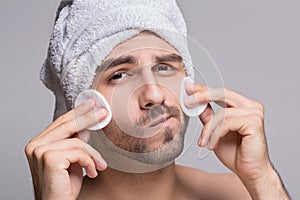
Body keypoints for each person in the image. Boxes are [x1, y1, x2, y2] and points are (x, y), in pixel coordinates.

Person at [25, 0, 290, 199]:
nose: (154, 94)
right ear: (82, 103)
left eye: (164, 67)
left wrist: (262, 178)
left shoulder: (242, 193)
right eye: (119, 75)